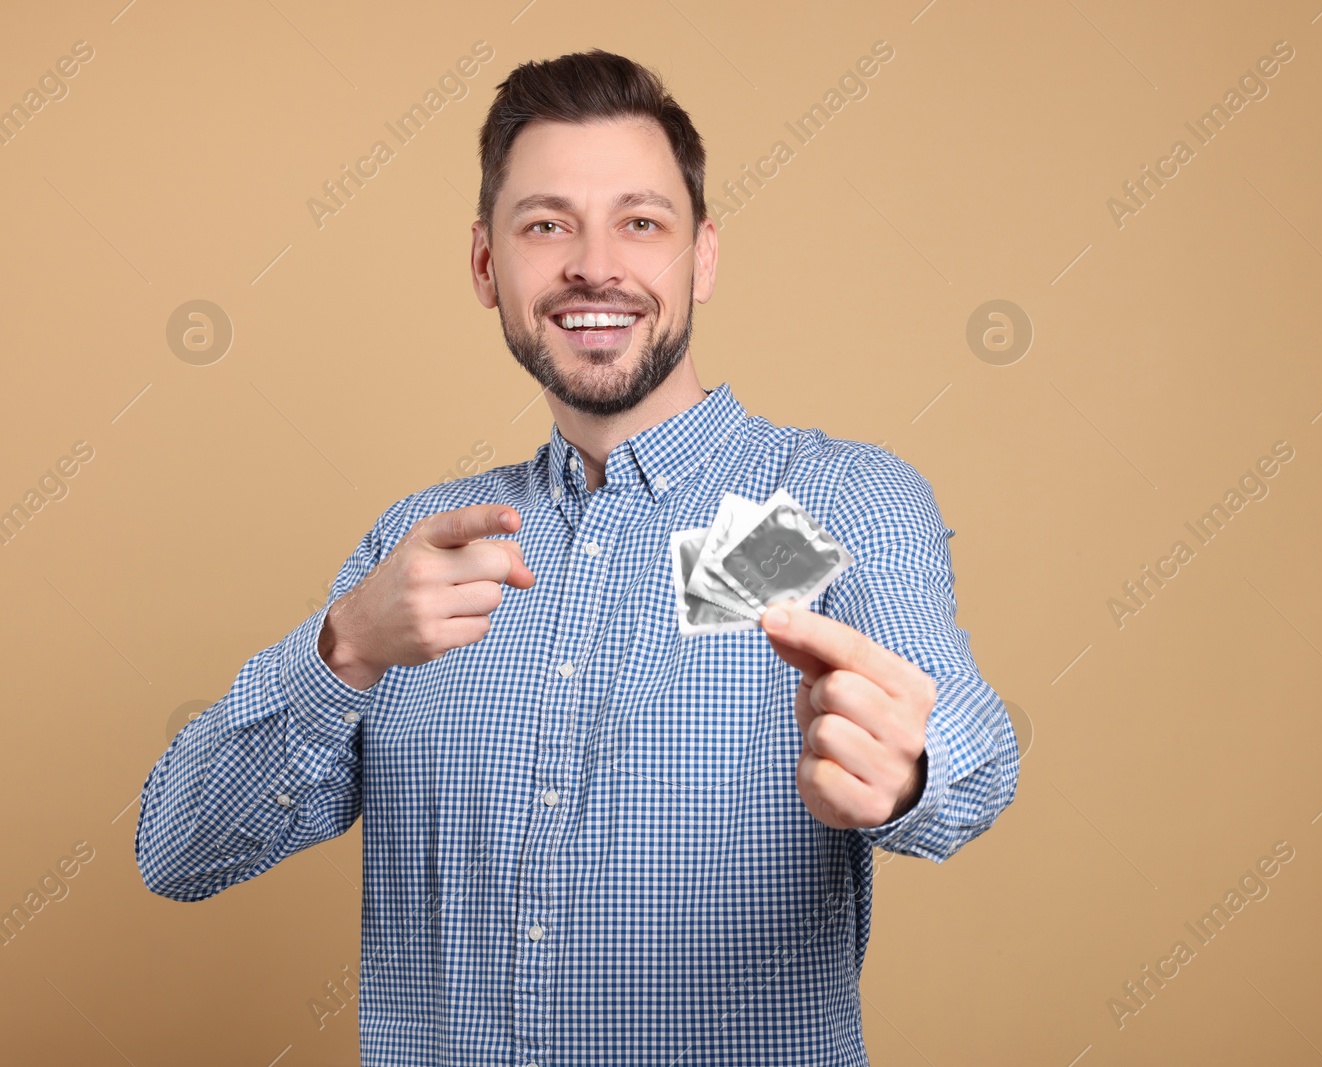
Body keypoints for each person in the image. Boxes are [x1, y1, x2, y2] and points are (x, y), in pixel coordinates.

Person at [135, 48, 1019, 1066]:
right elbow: (179, 852)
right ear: (485, 265)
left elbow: (967, 742)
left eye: (640, 222)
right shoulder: (416, 549)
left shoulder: (830, 507)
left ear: (702, 257)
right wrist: (342, 649)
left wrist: (909, 770)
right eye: (546, 224)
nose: (595, 264)